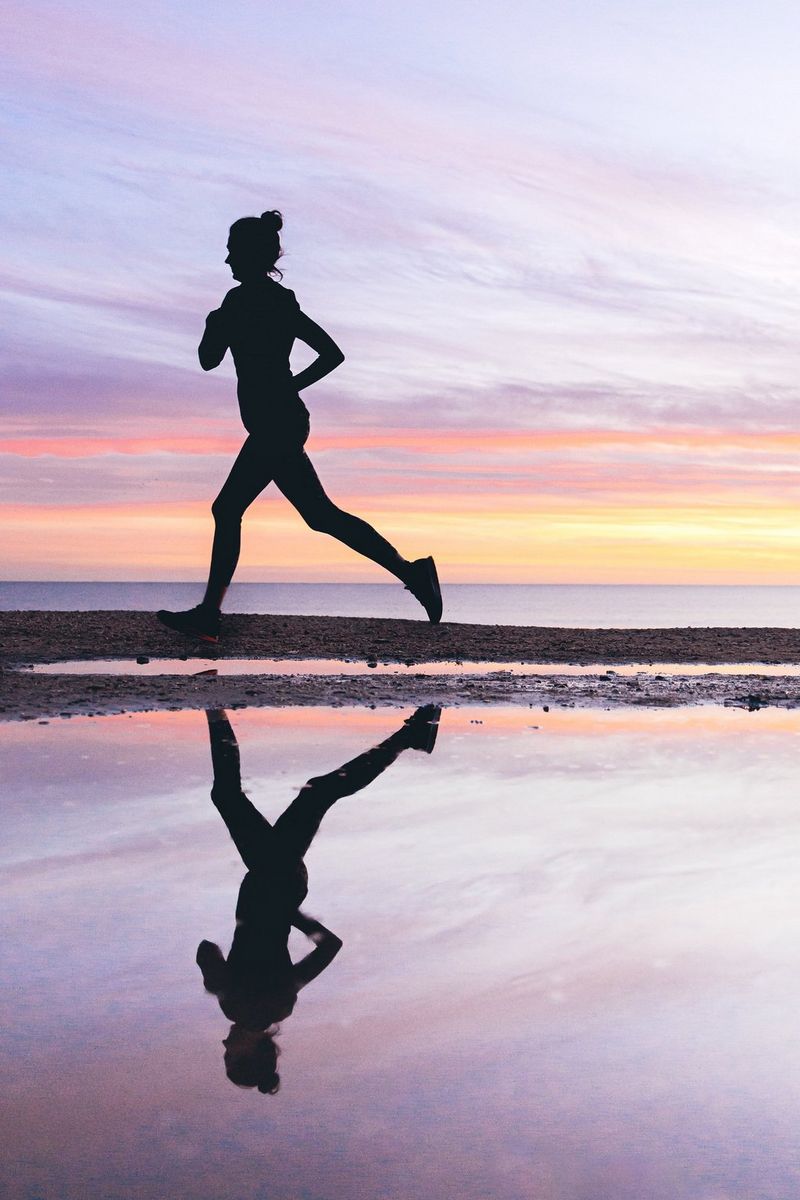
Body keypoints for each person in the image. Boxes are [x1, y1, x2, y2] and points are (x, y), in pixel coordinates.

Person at [157, 210, 442, 644]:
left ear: (252, 256)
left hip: (276, 425)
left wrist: (226, 334)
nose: (227, 259)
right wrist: (288, 384)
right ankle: (412, 572)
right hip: (283, 420)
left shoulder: (243, 304)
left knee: (229, 509)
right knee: (320, 516)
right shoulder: (277, 302)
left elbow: (209, 358)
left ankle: (210, 615)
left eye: (233, 250)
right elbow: (328, 354)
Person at [198, 703, 441, 1093]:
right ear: (251, 1051)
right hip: (271, 877)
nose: (224, 1044)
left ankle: (411, 737)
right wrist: (214, 977)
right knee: (237, 794)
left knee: (311, 792)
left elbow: (330, 946)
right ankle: (214, 707)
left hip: (285, 881)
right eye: (230, 1053)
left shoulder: (281, 1006)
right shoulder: (239, 1007)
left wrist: (292, 915)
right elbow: (206, 949)